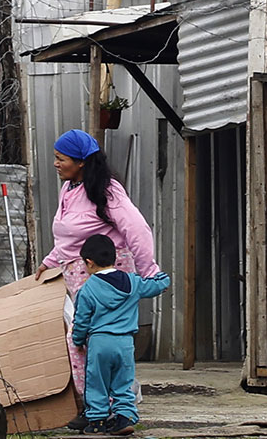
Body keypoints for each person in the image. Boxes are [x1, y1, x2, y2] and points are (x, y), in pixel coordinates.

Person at [34, 129, 160, 428]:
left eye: (60, 158)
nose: (55, 163)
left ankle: (117, 412)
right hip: (79, 273)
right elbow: (68, 237)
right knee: (90, 342)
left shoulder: (107, 190)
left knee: (94, 340)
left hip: (106, 275)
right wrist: (49, 262)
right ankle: (98, 409)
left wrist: (149, 271)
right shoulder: (70, 188)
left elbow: (137, 230)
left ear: (80, 162)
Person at [72, 235, 172, 435]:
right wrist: (161, 276)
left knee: (96, 383)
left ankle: (97, 422)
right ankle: (124, 418)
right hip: (125, 343)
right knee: (123, 382)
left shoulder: (88, 289)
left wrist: (78, 339)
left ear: (89, 262)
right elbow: (158, 285)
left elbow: (81, 320)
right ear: (114, 257)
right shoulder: (132, 282)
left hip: (99, 343)